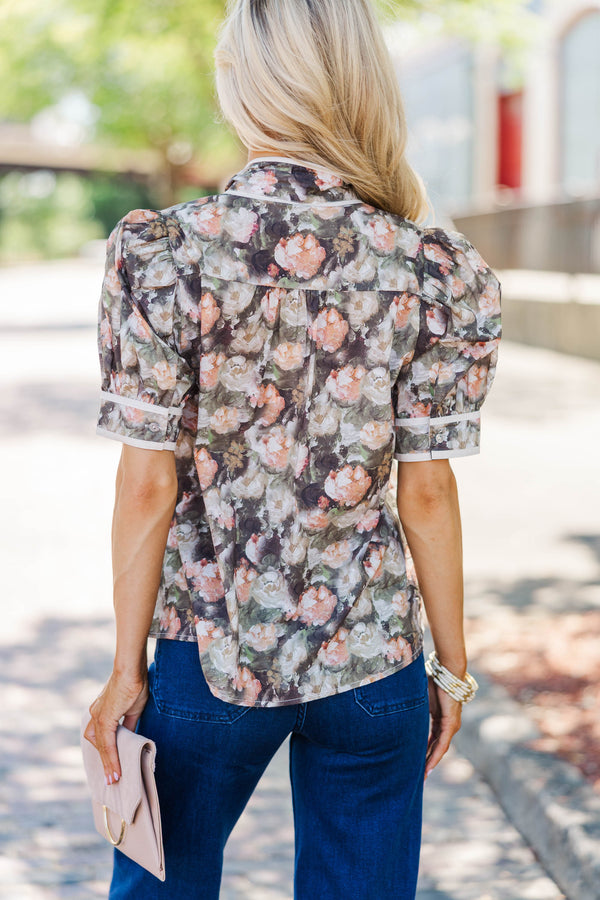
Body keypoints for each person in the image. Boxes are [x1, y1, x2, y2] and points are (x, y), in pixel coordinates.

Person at [84, 0, 501, 897]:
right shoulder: (432, 268)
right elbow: (427, 494)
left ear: (243, 84)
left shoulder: (165, 254)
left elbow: (147, 487)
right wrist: (452, 668)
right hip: (374, 663)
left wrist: (125, 673)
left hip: (208, 653)